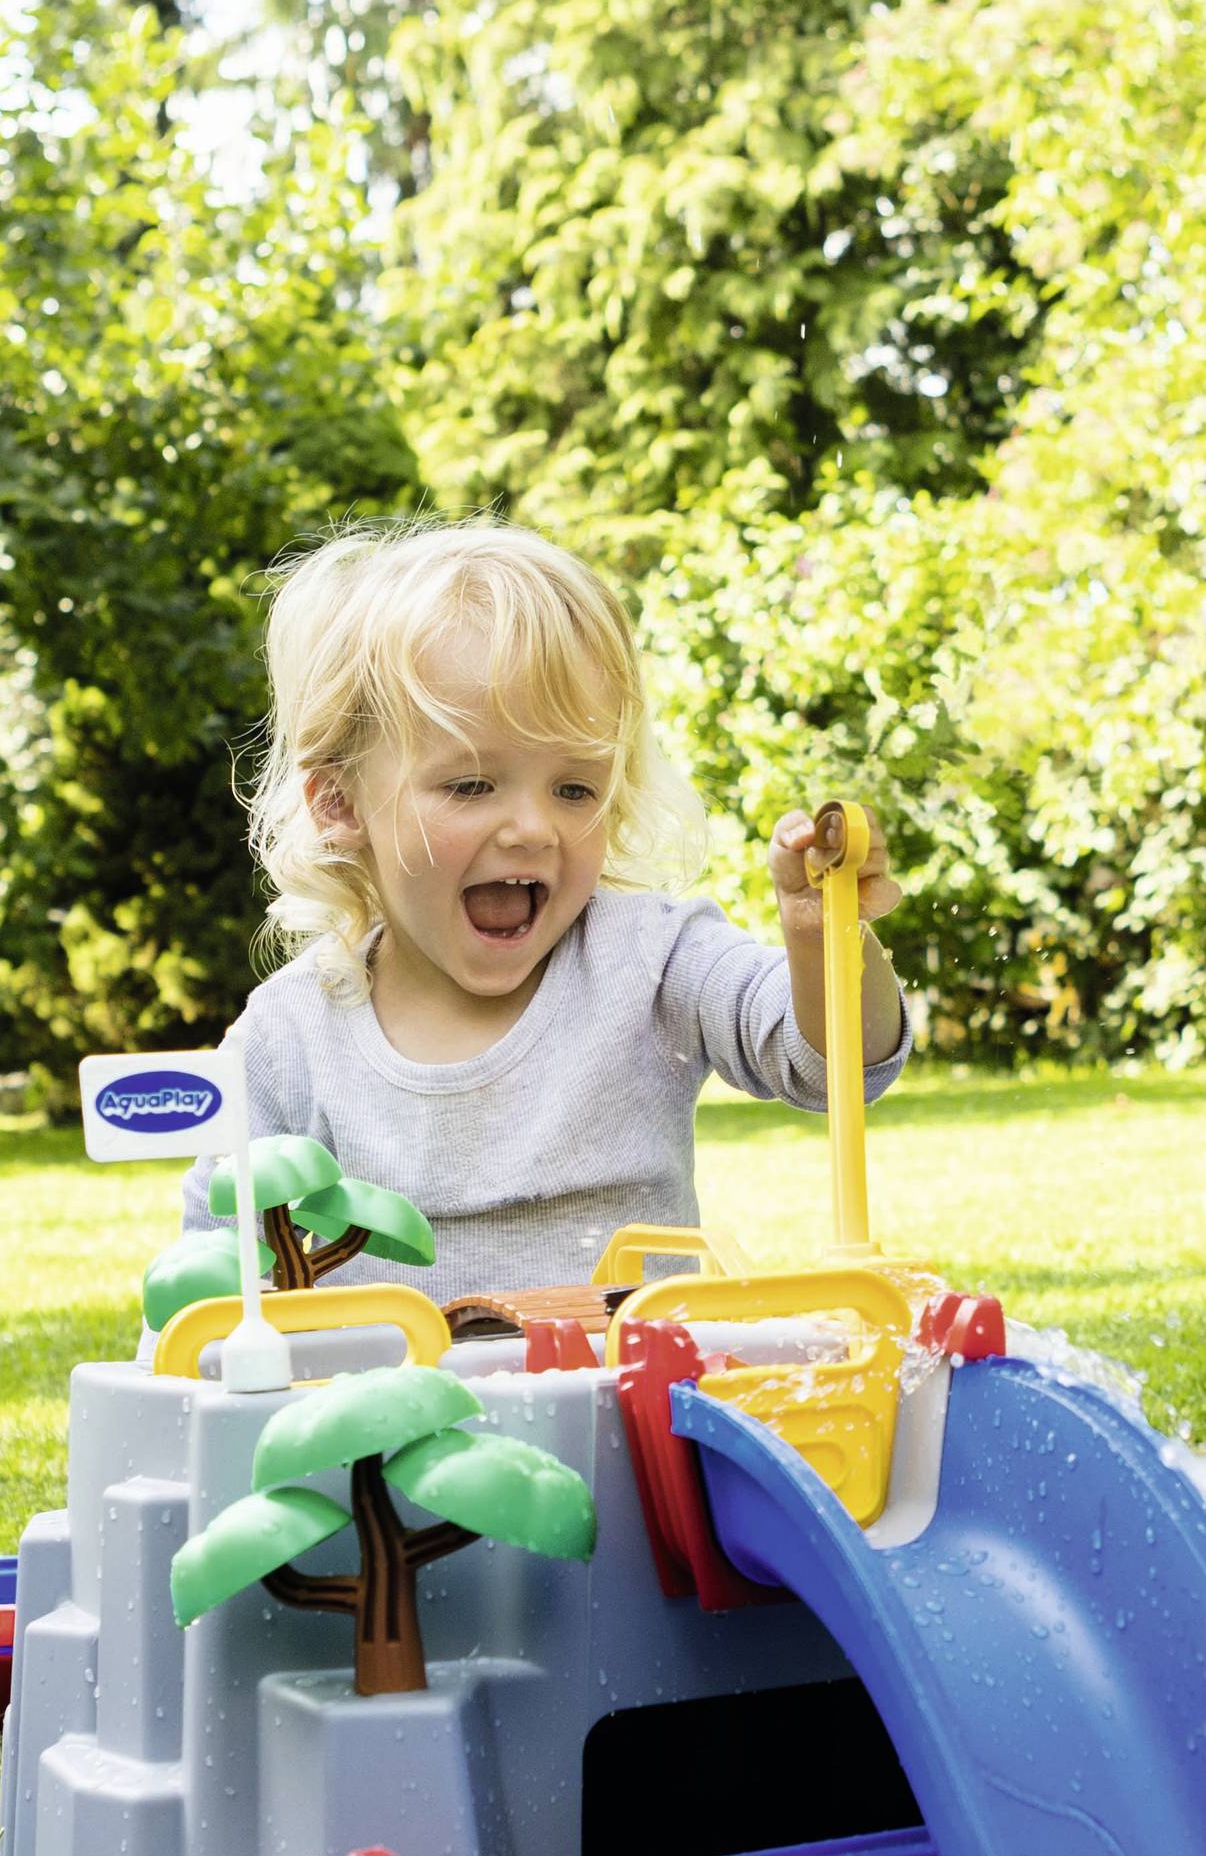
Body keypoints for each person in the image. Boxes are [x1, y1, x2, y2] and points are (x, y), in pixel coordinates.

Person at [181, 518, 909, 1301]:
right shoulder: (291, 1036)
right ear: (338, 804)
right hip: (399, 1421)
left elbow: (831, 1064)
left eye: (575, 789)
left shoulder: (650, 959)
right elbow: (208, 1279)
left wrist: (821, 937)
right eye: (470, 785)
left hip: (628, 1415)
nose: (532, 828)